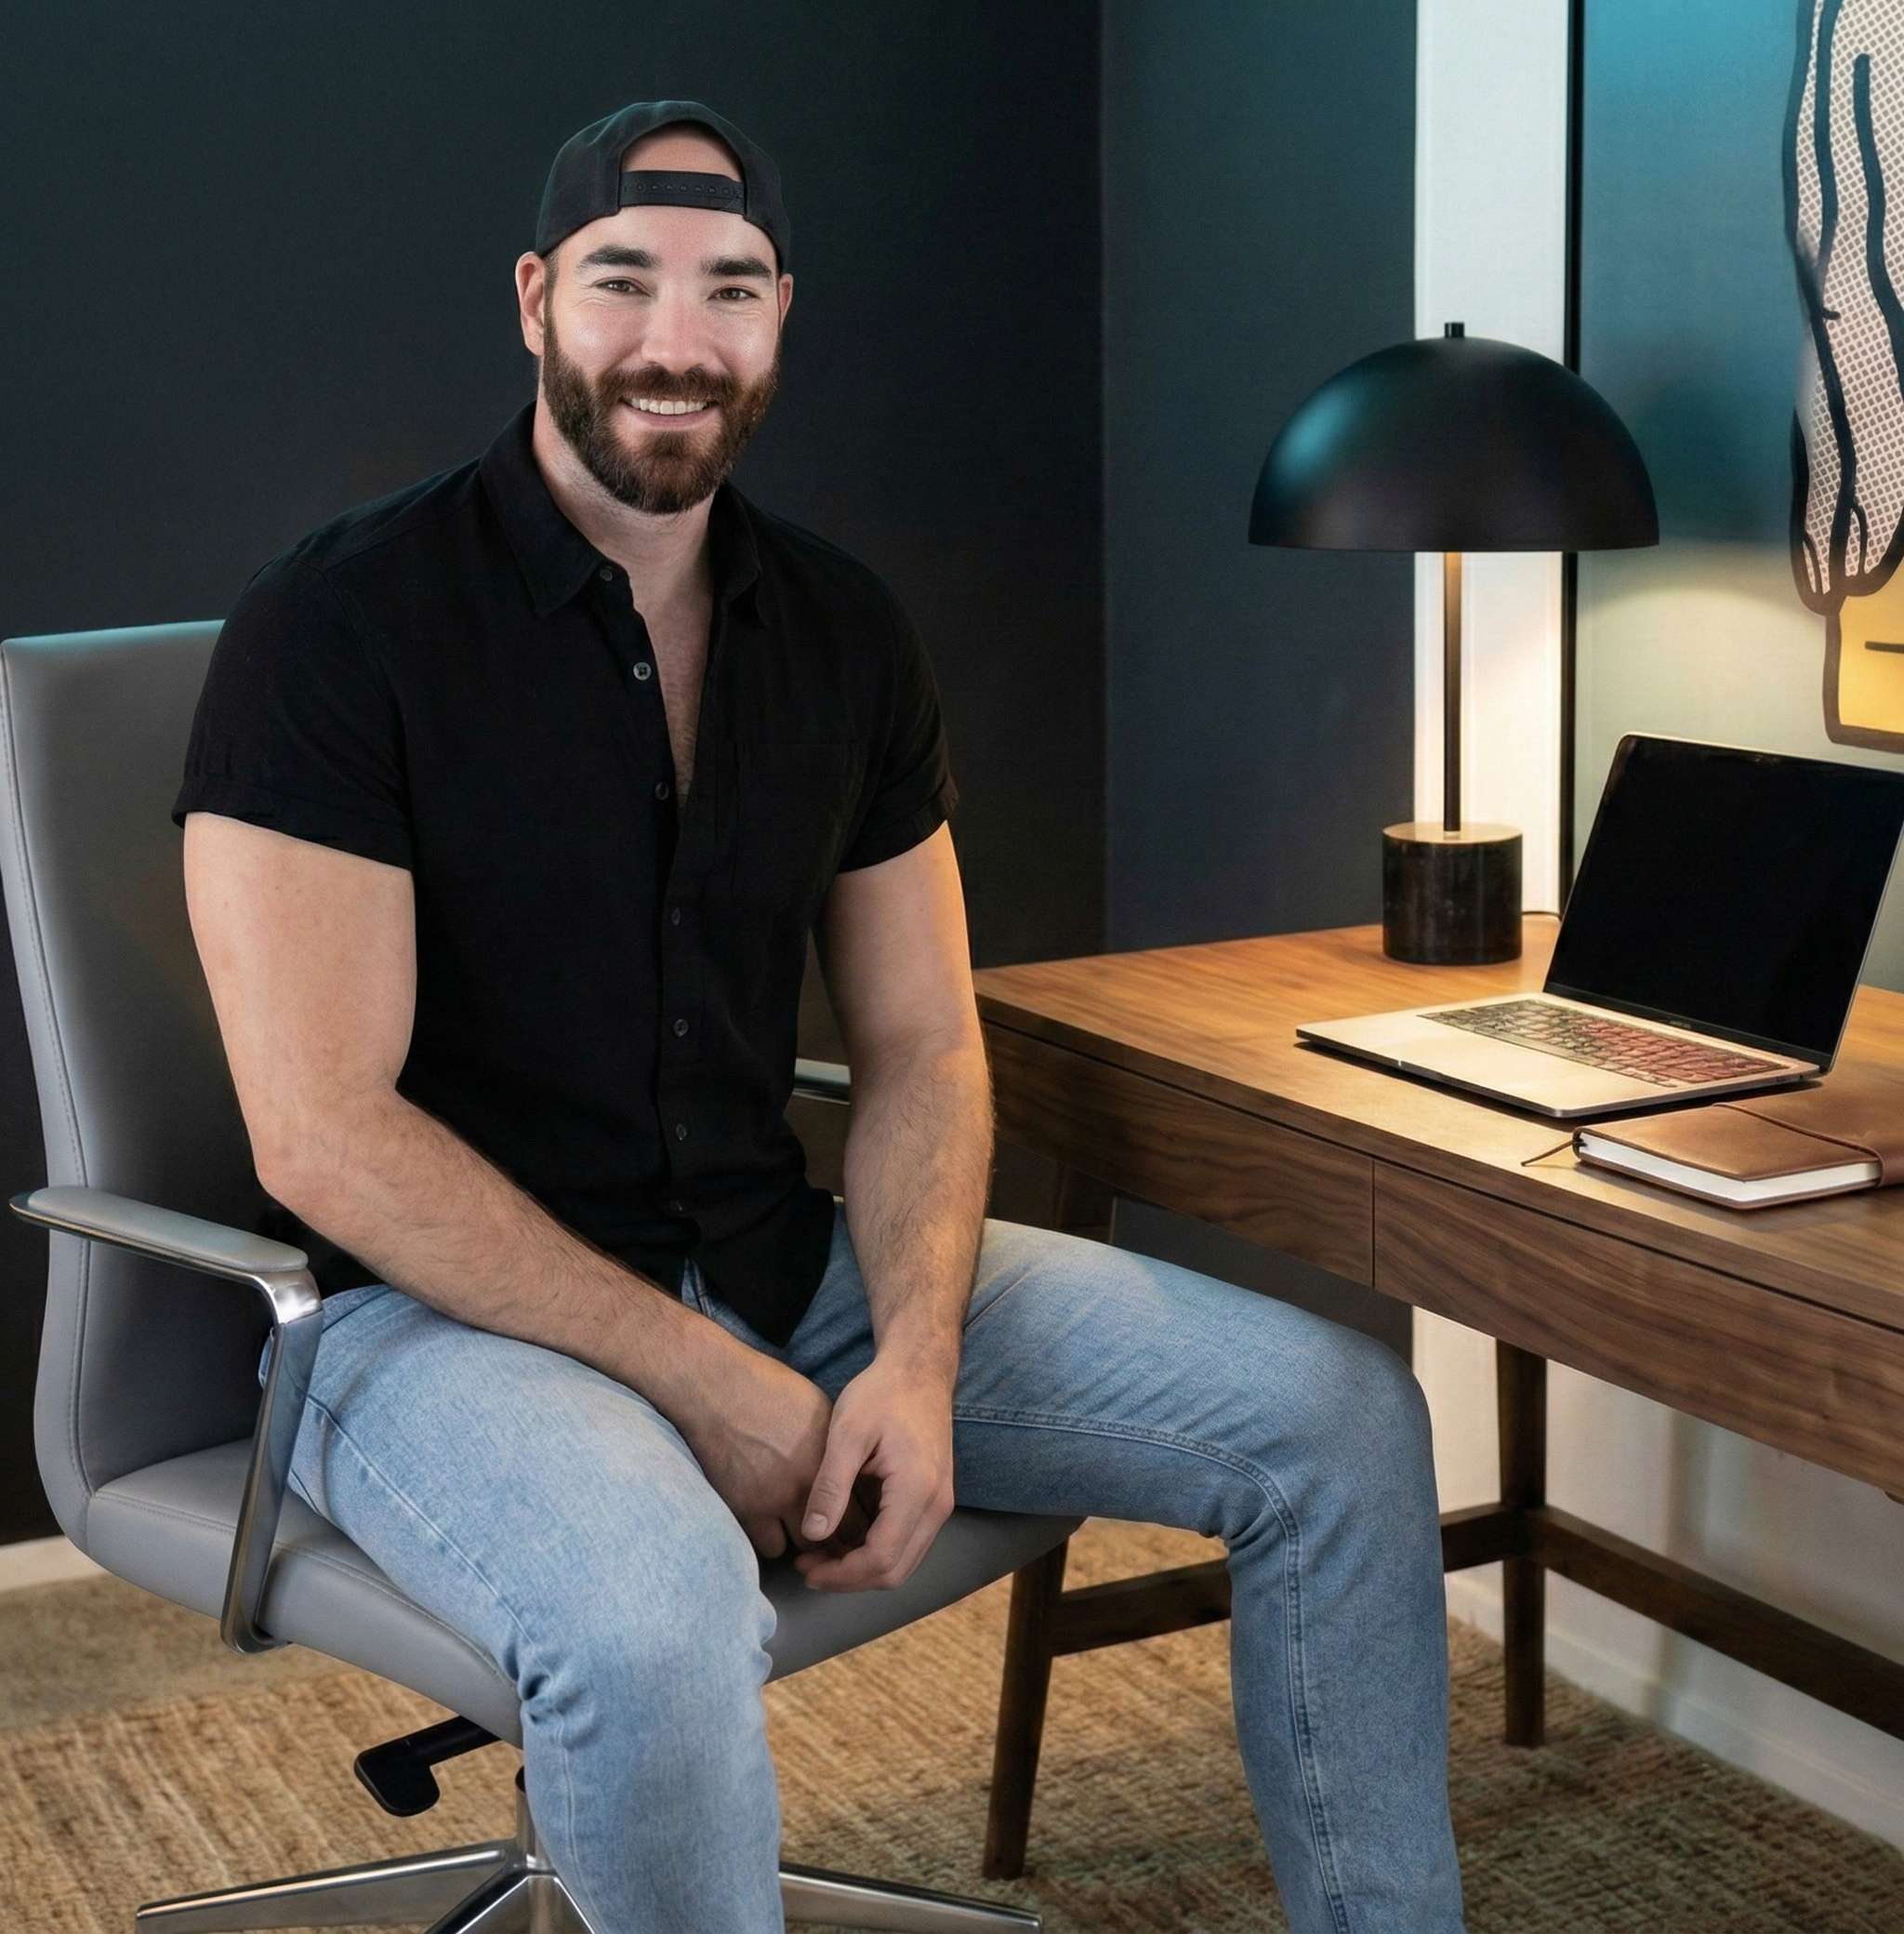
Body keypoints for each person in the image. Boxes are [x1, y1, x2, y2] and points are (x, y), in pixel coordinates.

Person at [176, 100, 1465, 1934]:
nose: (676, 340)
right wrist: (727, 1392)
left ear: (785, 319)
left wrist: (916, 1365)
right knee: (650, 1607)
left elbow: (928, 1044)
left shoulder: (845, 633)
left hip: (780, 1258)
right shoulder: (338, 623)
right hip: (429, 1319)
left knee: (1338, 1419)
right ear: (538, 299)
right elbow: (324, 1133)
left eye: (731, 289)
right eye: (624, 280)